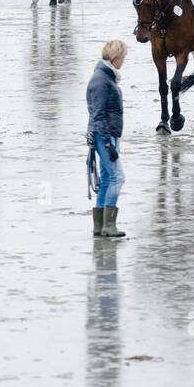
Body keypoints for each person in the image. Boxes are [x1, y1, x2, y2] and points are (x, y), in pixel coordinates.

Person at [87, 40, 128, 239]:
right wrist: (108, 143)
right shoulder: (101, 80)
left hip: (106, 134)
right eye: (123, 59)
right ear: (116, 59)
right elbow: (98, 114)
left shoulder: (103, 77)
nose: (123, 63)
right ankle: (109, 226)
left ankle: (100, 226)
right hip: (105, 135)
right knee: (117, 177)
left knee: (106, 179)